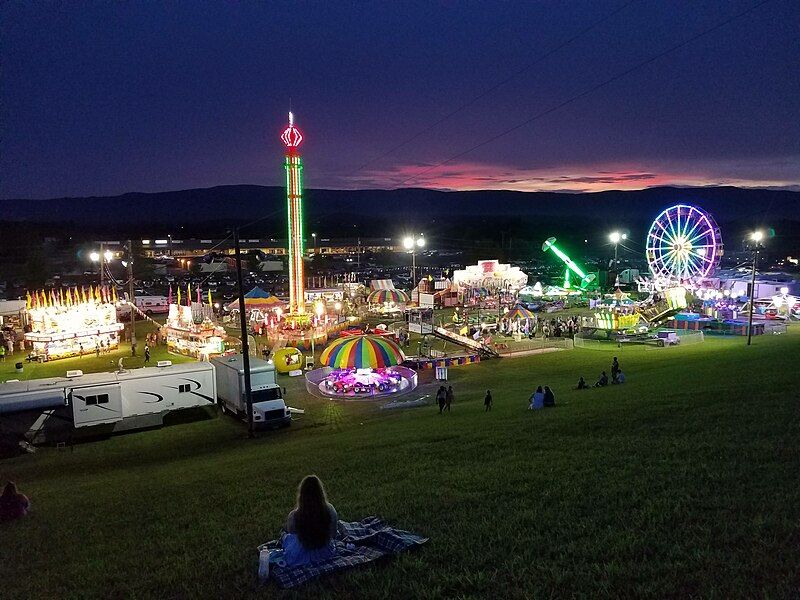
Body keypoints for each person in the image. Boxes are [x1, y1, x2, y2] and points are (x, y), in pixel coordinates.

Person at [282, 475, 338, 567]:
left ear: (302, 494)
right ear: (321, 493)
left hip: (300, 555)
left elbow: (292, 535)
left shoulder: (294, 516)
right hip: (325, 553)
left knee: (286, 537)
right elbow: (333, 534)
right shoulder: (330, 510)